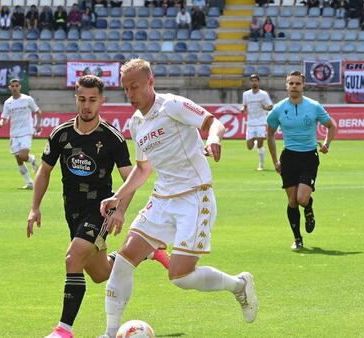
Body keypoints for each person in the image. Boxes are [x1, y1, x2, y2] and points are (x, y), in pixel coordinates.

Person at [97, 59, 258, 338]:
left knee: (180, 277)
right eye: (125, 89)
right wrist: (118, 197)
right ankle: (111, 333)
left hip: (194, 197)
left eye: (135, 86)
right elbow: (143, 168)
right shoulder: (136, 123)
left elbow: (213, 122)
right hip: (161, 199)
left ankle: (238, 285)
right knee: (124, 258)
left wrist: (212, 139)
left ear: (151, 82)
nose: (130, 94)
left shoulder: (171, 105)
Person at [27, 75, 169, 338]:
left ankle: (63, 330)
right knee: (100, 273)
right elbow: (44, 171)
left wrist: (121, 209)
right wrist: (34, 207)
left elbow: (130, 178)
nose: (87, 105)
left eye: (93, 100)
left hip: (101, 210)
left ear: (102, 101)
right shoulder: (61, 134)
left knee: (73, 257)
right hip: (73, 211)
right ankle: (145, 252)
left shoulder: (112, 138)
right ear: (76, 99)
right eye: (82, 99)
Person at [266, 71, 337, 250]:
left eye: (297, 83)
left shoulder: (314, 106)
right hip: (289, 156)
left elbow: (331, 125)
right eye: (291, 83)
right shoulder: (278, 109)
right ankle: (297, 239)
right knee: (291, 201)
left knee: (302, 198)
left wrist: (327, 144)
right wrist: (275, 160)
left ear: (303, 86)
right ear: (286, 86)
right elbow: (270, 134)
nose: (294, 86)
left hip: (309, 157)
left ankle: (309, 207)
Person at [0, 79, 41, 189]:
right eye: (13, 86)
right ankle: (29, 182)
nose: (15, 87)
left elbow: (38, 111)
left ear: (20, 87)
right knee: (19, 159)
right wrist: (1, 122)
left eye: (16, 85)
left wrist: (38, 124)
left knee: (23, 156)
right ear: (10, 87)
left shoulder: (27, 99)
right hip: (14, 134)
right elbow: (5, 117)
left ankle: (32, 159)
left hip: (26, 132)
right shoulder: (8, 102)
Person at [241, 74, 273, 171]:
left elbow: (271, 106)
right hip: (250, 122)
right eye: (252, 81)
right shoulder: (246, 94)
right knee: (250, 147)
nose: (254, 82)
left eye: (256, 80)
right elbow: (245, 106)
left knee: (260, 145)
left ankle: (261, 165)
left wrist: (265, 107)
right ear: (250, 82)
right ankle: (256, 143)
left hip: (261, 121)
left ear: (258, 82)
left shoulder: (263, 94)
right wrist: (243, 109)